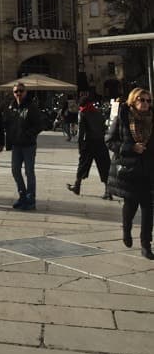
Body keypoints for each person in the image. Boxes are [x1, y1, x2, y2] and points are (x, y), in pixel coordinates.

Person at [107, 87, 154, 259]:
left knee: (149, 210)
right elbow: (110, 141)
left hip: (149, 171)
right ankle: (126, 229)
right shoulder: (122, 117)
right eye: (142, 100)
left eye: (148, 100)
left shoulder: (152, 119)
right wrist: (131, 148)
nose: (146, 103)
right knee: (131, 206)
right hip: (129, 170)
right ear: (133, 101)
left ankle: (146, 245)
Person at [4, 82, 43, 211]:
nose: (18, 93)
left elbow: (39, 125)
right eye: (16, 91)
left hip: (28, 145)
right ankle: (22, 196)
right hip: (16, 144)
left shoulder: (31, 107)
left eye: (21, 91)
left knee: (29, 172)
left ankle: (31, 199)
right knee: (15, 170)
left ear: (25, 92)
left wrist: (28, 134)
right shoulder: (11, 106)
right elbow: (7, 123)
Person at [67, 97, 112, 199]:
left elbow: (81, 133)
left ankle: (77, 186)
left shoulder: (83, 113)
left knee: (83, 165)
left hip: (88, 143)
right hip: (100, 142)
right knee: (104, 166)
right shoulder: (98, 113)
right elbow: (104, 128)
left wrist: (80, 147)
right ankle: (108, 191)